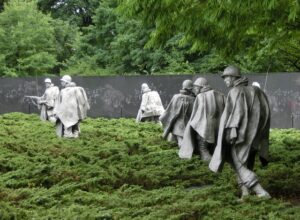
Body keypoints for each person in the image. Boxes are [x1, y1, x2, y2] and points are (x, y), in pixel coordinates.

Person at [209, 66, 271, 199]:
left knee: (237, 162)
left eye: (226, 78)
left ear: (234, 78)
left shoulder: (235, 91)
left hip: (239, 136)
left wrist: (232, 130)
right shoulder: (256, 91)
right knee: (246, 163)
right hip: (254, 136)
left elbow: (238, 112)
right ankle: (245, 193)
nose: (225, 81)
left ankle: (260, 191)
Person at [179, 77, 225, 161]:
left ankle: (203, 151)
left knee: (198, 127)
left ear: (201, 87)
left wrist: (192, 124)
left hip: (206, 125)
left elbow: (197, 116)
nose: (194, 90)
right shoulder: (220, 94)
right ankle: (215, 152)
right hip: (219, 125)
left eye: (196, 87)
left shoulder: (201, 96)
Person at [160, 80, 195, 147]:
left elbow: (169, 111)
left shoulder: (176, 97)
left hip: (178, 125)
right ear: (191, 88)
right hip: (188, 125)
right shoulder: (193, 99)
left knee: (180, 141)